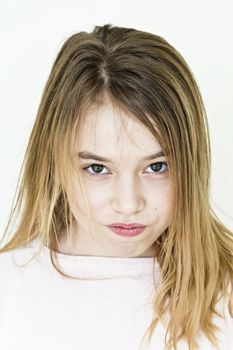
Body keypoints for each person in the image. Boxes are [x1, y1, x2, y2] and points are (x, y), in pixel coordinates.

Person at [0, 23, 232, 350]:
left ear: (192, 165)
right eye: (97, 168)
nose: (128, 204)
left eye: (157, 167)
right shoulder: (7, 292)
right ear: (54, 163)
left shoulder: (226, 294)